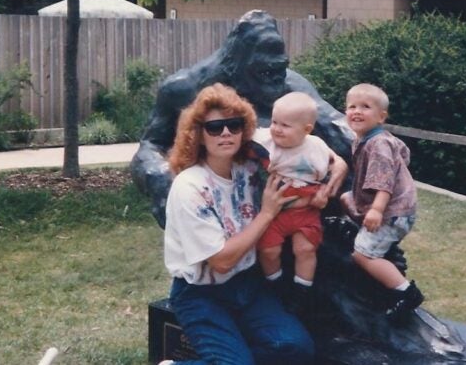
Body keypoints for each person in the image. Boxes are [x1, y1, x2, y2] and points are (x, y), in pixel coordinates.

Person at [130, 10, 353, 228]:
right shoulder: (185, 88)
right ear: (236, 65)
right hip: (218, 202)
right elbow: (150, 146)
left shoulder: (289, 86)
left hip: (288, 207)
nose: (277, 79)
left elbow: (338, 128)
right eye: (265, 72)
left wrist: (344, 161)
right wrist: (159, 176)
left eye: (281, 68)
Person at [161, 83, 315, 365]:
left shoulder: (250, 166)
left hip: (248, 283)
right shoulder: (190, 186)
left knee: (297, 348)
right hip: (201, 293)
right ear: (198, 135)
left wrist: (338, 165)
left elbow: (306, 141)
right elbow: (221, 261)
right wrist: (266, 214)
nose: (226, 133)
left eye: (234, 125)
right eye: (214, 127)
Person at [254, 92, 346, 313]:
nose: (276, 129)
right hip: (274, 211)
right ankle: (274, 285)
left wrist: (323, 192)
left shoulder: (316, 147)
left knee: (305, 249)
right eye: (274, 122)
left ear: (307, 129)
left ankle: (302, 291)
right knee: (268, 251)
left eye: (285, 125)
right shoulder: (263, 139)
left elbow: (330, 170)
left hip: (305, 210)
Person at [340, 83, 424, 321]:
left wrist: (377, 210)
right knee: (345, 198)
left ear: (381, 117)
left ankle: (406, 292)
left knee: (363, 255)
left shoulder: (378, 144)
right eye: (352, 106)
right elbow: (404, 156)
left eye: (365, 107)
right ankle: (364, 230)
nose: (357, 111)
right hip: (380, 206)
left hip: (391, 212)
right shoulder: (365, 139)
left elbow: (384, 182)